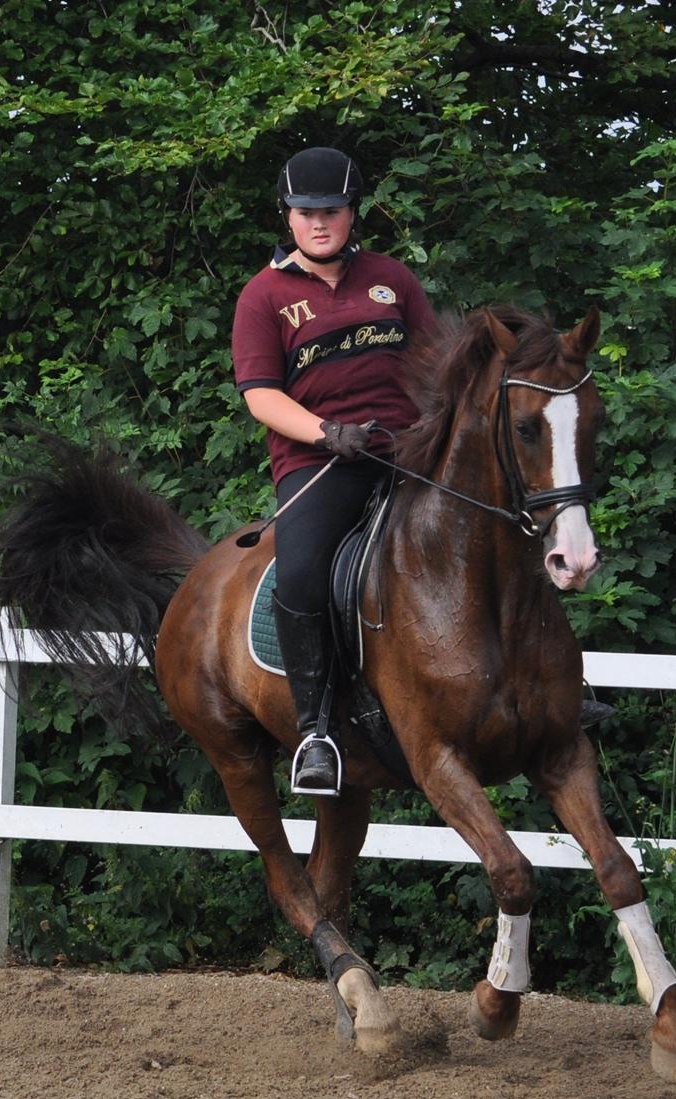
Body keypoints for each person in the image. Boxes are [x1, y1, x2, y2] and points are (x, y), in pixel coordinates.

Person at [232, 146, 438, 796]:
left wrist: (433, 432)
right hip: (322, 463)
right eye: (307, 212)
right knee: (300, 574)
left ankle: (561, 690)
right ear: (288, 217)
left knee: (504, 520)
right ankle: (317, 731)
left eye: (333, 211)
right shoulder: (263, 296)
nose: (320, 223)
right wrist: (327, 432)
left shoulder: (393, 280)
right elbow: (260, 394)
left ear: (354, 213)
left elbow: (435, 367)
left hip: (408, 452)